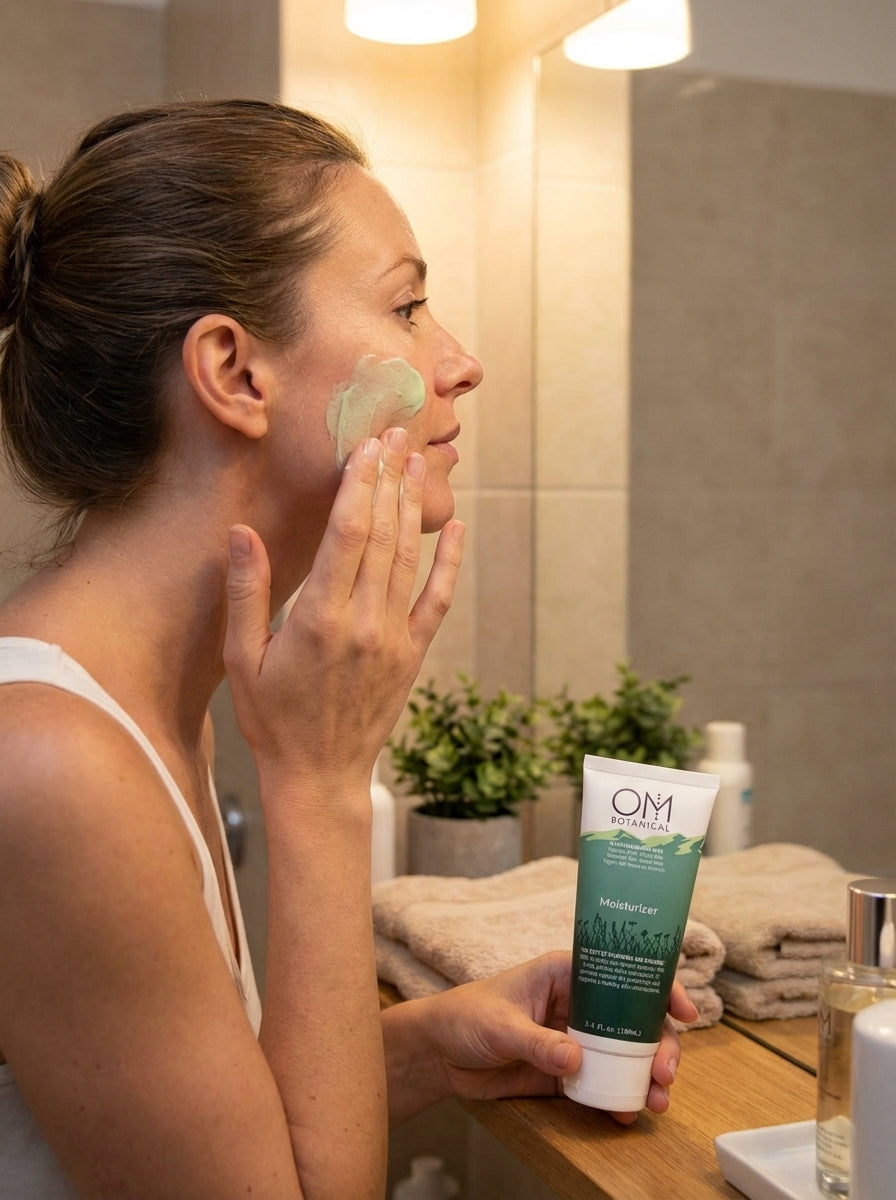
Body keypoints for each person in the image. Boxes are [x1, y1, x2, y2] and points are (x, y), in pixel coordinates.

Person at [0, 99, 696, 1199]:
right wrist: (321, 781)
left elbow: (203, 1129)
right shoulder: (51, 764)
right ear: (234, 372)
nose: (461, 362)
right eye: (407, 306)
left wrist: (424, 1048)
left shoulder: (130, 705)